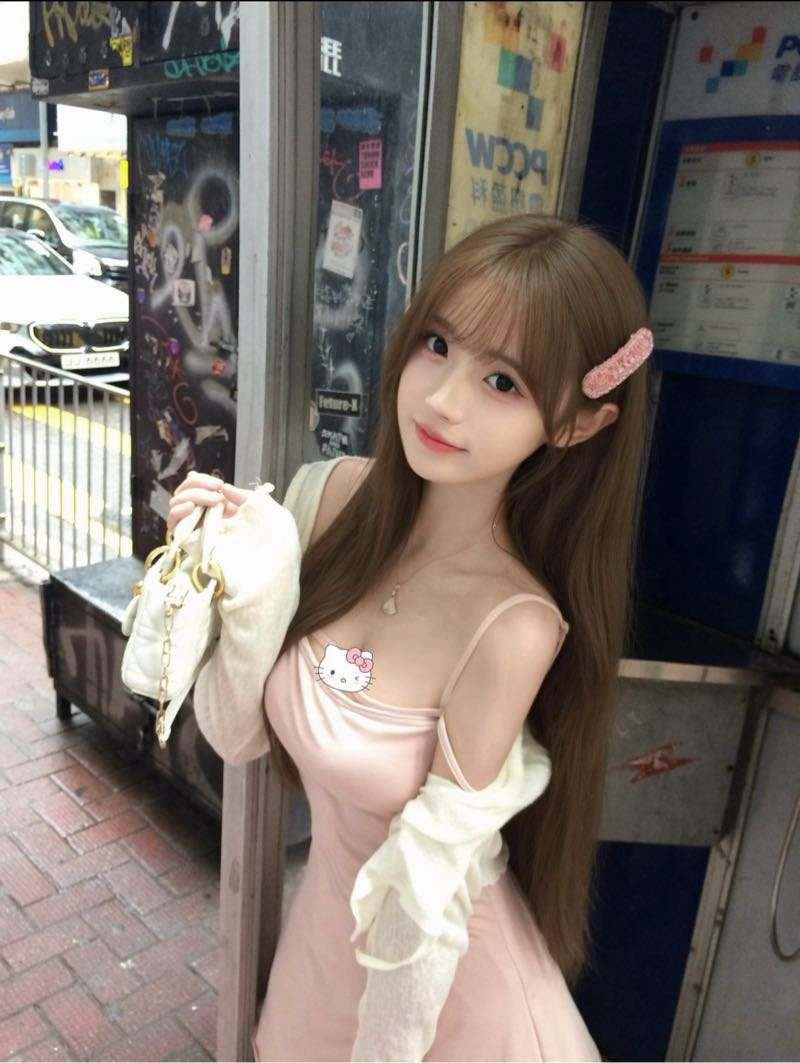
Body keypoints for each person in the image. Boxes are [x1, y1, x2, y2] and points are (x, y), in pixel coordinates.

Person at [167, 212, 653, 1062]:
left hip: (441, 993)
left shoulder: (514, 626)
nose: (442, 398)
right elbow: (238, 734)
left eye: (502, 381)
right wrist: (223, 582)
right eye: (437, 343)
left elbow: (424, 906)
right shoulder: (327, 500)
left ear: (577, 424)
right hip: (327, 945)